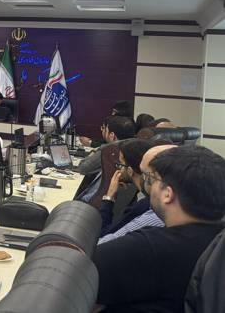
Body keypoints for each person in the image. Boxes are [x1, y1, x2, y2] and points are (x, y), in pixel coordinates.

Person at [93, 145, 225, 313]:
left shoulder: (148, 248)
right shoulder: (217, 242)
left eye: (152, 180)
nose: (148, 187)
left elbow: (70, 274)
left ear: (167, 194)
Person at [98, 143, 175, 244]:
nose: (118, 169)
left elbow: (102, 235)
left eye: (121, 164)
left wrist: (109, 197)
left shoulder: (145, 206)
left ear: (130, 171)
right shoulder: (142, 198)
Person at [75, 116, 137, 203]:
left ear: (112, 136)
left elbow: (82, 168)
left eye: (104, 128)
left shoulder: (109, 151)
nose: (102, 130)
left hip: (89, 202)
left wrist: (95, 151)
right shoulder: (134, 150)